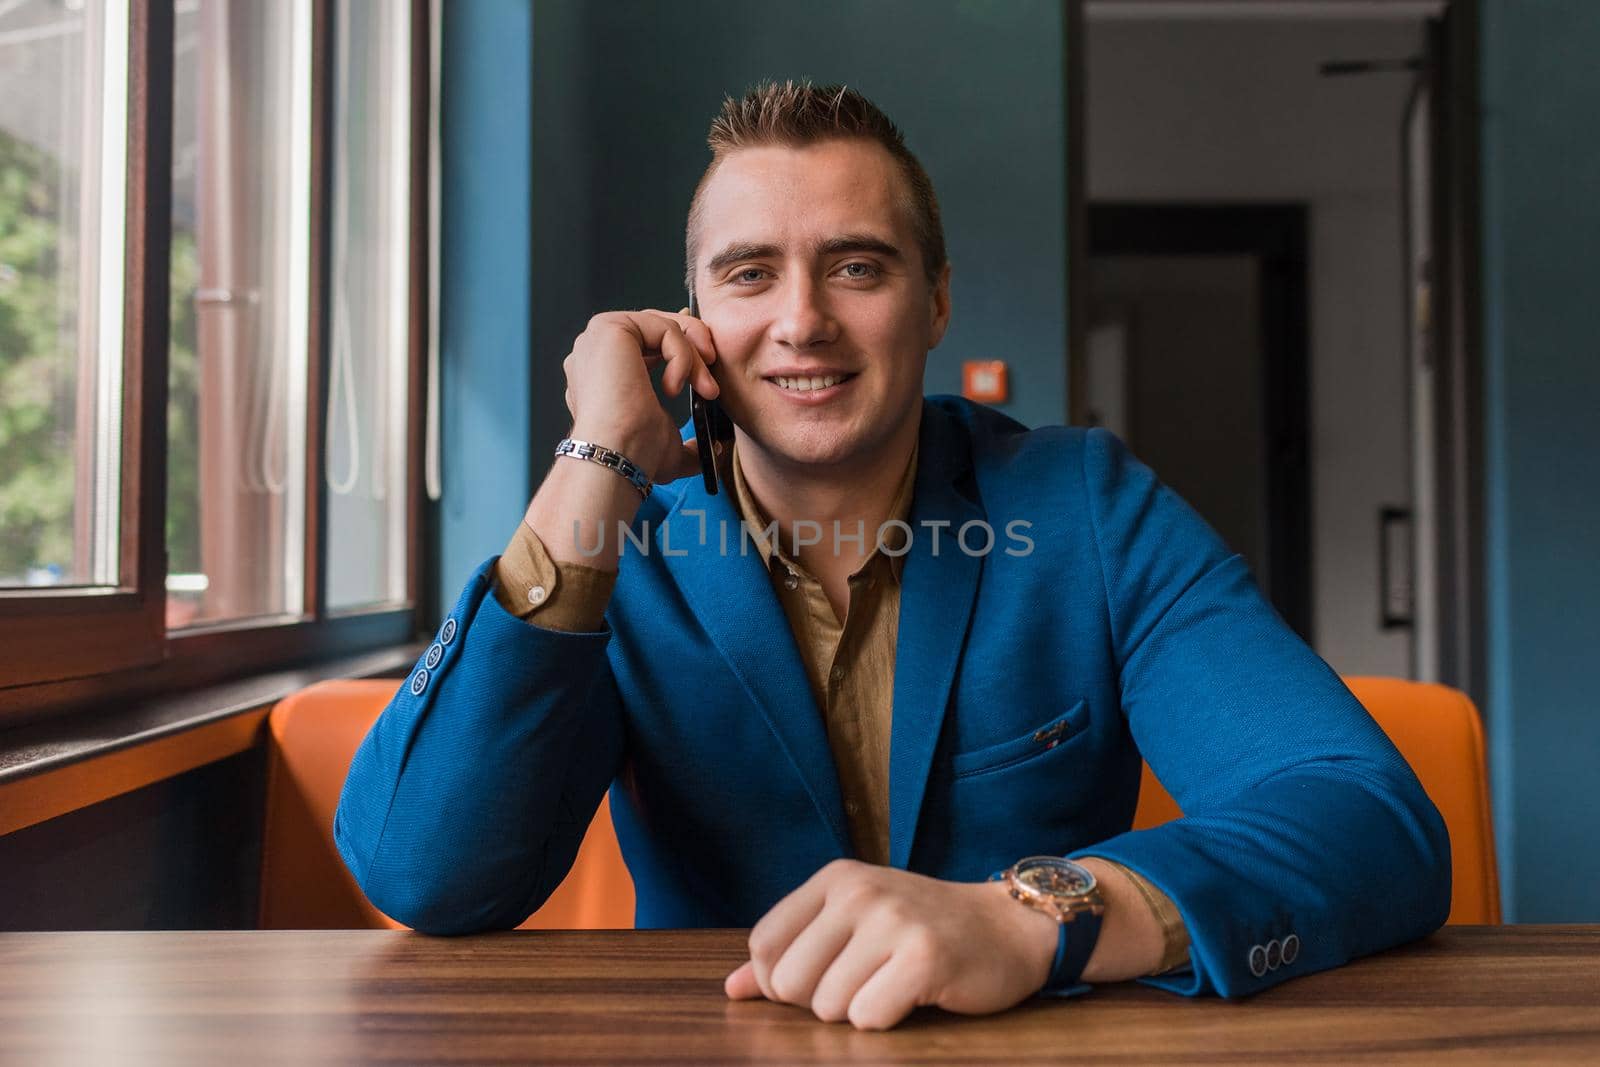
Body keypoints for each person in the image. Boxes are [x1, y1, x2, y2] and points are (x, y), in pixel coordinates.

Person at [335, 80, 1450, 1032]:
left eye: (857, 267)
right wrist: (593, 460)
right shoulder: (621, 550)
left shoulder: (1086, 507)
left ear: (936, 302)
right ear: (693, 322)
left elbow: (1368, 818)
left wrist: (1032, 914)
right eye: (749, 274)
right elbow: (424, 869)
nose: (803, 319)